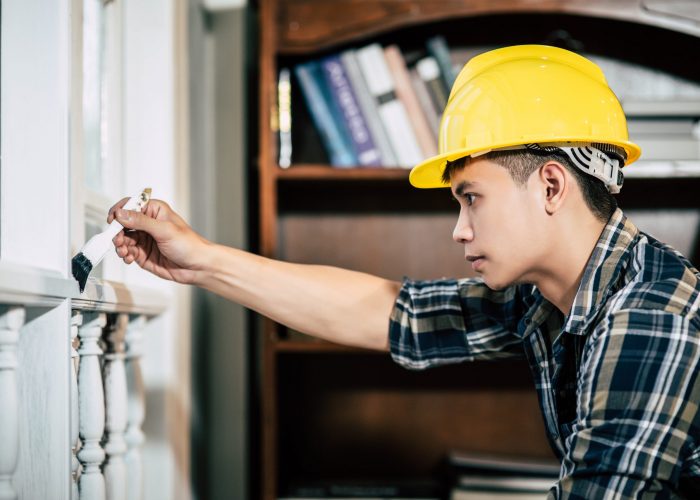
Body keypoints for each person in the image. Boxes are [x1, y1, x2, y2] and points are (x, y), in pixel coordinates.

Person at [109, 45, 700, 498]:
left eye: (471, 198)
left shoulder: (649, 316)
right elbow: (391, 312)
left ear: (550, 185)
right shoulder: (549, 298)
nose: (459, 229)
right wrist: (201, 259)